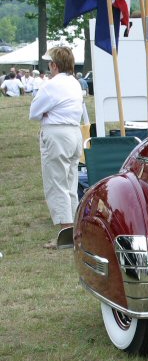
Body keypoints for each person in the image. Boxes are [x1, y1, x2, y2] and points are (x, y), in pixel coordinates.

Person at [29, 46, 83, 248]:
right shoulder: (75, 83)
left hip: (57, 134)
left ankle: (65, 233)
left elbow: (34, 112)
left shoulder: (51, 85)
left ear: (54, 65)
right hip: (73, 133)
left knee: (56, 183)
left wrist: (47, 113)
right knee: (70, 182)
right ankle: (74, 230)